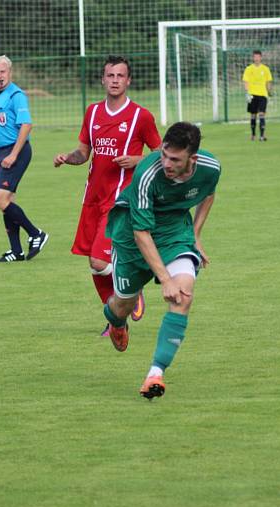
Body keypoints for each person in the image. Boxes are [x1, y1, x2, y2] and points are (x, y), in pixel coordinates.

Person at [102, 122, 220, 399]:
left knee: (182, 297)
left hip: (174, 234)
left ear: (192, 158)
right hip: (132, 237)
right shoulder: (147, 172)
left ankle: (155, 373)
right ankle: (116, 322)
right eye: (164, 154)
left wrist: (196, 234)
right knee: (123, 304)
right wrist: (164, 279)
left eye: (174, 159)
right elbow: (141, 231)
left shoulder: (210, 168)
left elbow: (209, 192)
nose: (166, 162)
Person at [53, 56, 161, 335]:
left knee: (99, 261)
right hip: (93, 197)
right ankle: (116, 318)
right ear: (103, 80)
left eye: (120, 75)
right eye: (110, 75)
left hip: (120, 200)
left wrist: (137, 160)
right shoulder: (92, 112)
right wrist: (68, 158)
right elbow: (83, 152)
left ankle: (132, 290)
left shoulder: (141, 116)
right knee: (95, 264)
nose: (114, 80)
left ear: (128, 81)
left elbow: (163, 154)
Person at [0, 55, 48, 262]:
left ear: (10, 73)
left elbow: (26, 125)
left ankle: (35, 233)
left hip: (18, 151)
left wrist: (13, 154)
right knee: (6, 200)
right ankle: (16, 250)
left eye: (2, 72)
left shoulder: (16, 95)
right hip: (3, 152)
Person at [242, 50, 273, 141]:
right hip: (252, 95)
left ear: (261, 57)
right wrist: (247, 92)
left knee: (262, 114)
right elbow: (245, 81)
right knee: (253, 115)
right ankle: (253, 134)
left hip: (262, 94)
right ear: (253, 58)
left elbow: (268, 82)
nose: (256, 58)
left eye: (258, 56)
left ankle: (262, 136)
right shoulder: (249, 69)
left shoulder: (265, 69)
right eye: (255, 57)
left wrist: (269, 92)